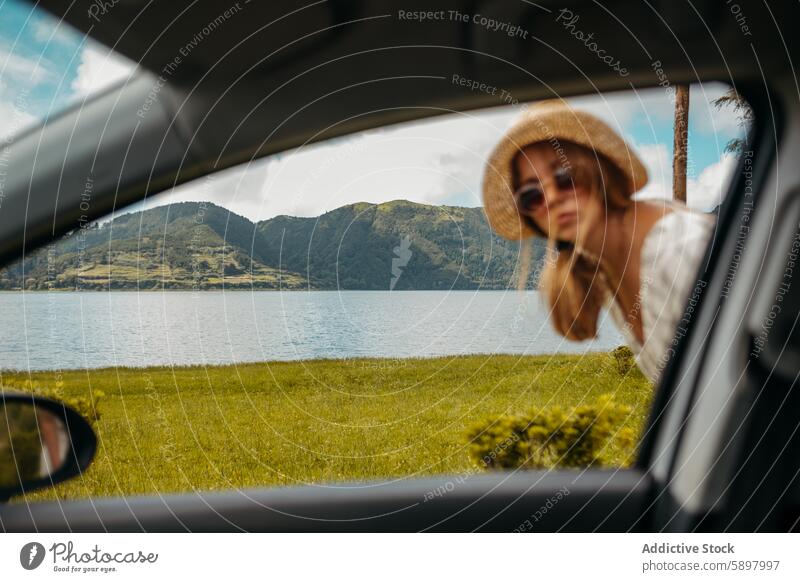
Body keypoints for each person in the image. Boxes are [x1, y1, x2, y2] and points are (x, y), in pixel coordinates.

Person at [481, 99, 716, 384]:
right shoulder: (607, 271)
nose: (553, 198)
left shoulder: (682, 249)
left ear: (598, 169)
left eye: (565, 176)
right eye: (532, 195)